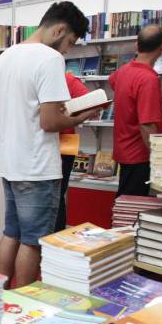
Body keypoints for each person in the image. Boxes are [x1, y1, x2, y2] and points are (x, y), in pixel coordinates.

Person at [0, 1, 101, 288]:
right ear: (59, 29)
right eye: (69, 42)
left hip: (9, 163)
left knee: (11, 232)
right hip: (37, 166)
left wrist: (20, 114)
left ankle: (2, 298)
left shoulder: (6, 57)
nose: (66, 50)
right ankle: (22, 303)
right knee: (34, 241)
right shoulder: (49, 59)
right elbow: (50, 121)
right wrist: (84, 113)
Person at [109, 25, 162, 197]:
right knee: (132, 208)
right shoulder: (148, 79)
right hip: (140, 155)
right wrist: (158, 159)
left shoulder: (122, 72)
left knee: (124, 204)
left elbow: (113, 81)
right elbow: (147, 125)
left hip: (123, 151)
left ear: (137, 45)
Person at [55, 72, 89, 231]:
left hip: (63, 142)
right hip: (65, 141)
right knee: (58, 195)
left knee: (56, 195)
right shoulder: (67, 78)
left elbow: (90, 103)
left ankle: (55, 235)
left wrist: (68, 116)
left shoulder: (66, 78)